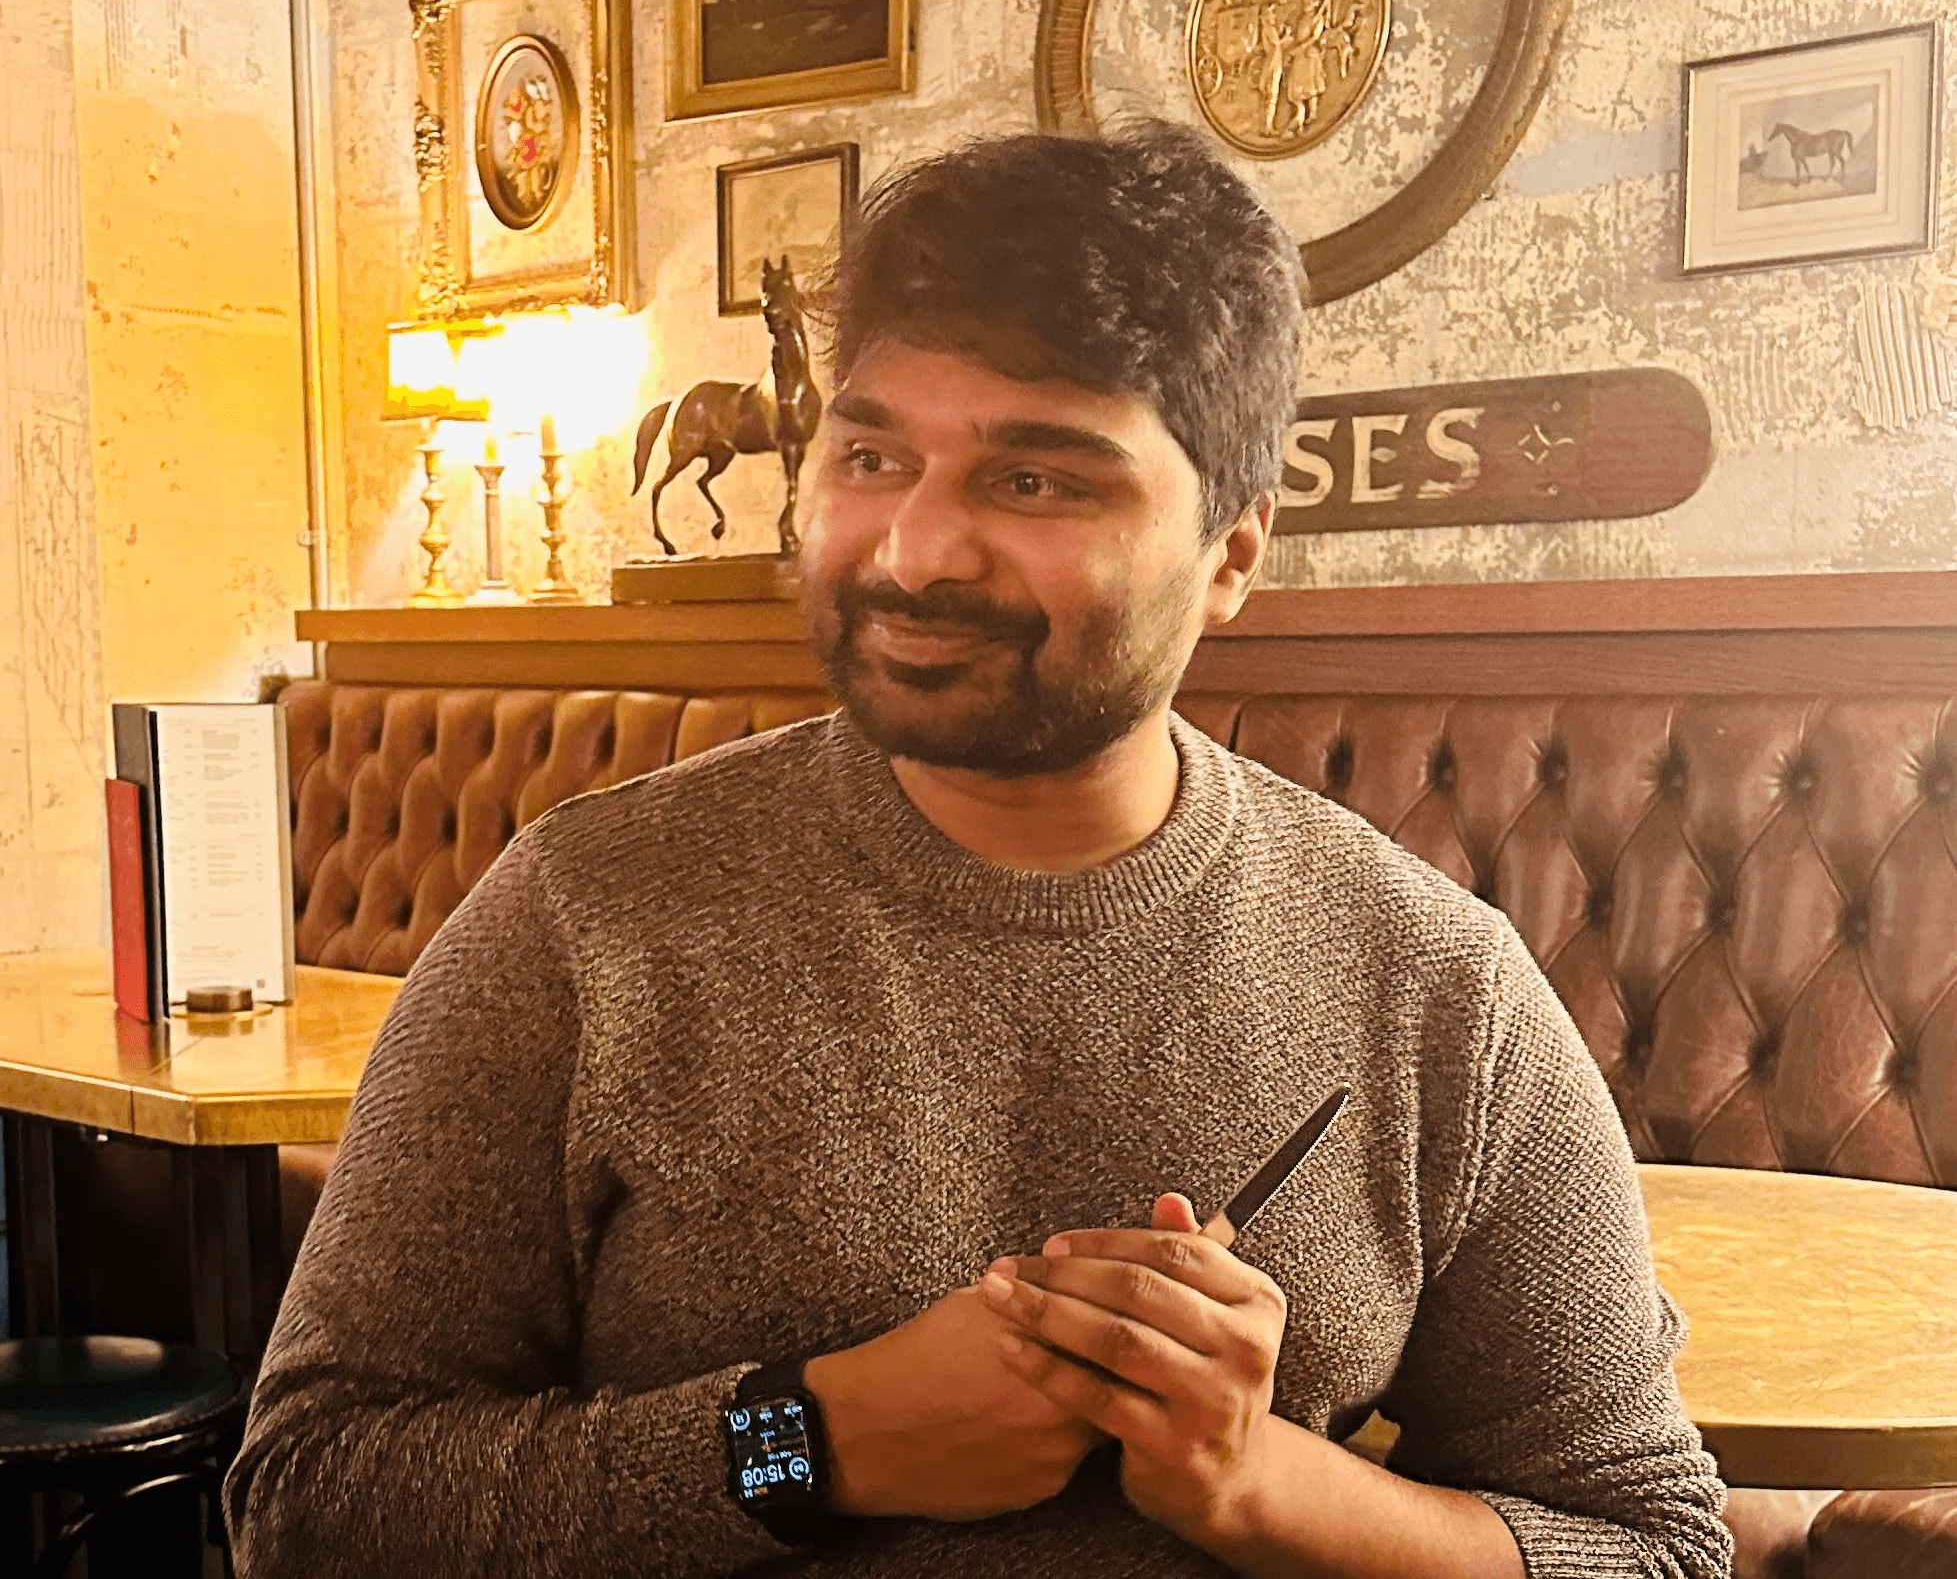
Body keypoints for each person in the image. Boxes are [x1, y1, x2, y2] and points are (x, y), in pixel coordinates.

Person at [225, 123, 1734, 1579]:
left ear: (1231, 555)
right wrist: (815, 1442)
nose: (913, 551)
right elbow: (309, 1501)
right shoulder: (586, 914)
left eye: (1036, 480)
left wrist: (1258, 1482)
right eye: (871, 455)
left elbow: (1653, 1543)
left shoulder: (1432, 985)